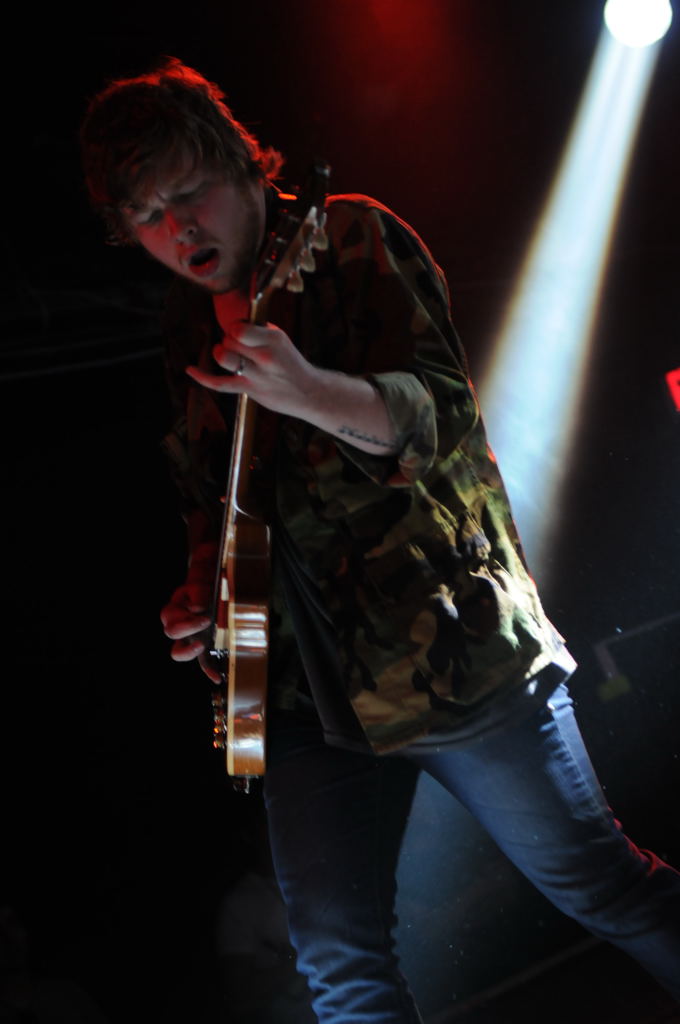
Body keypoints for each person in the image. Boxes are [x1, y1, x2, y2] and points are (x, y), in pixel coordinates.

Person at [80, 57, 680, 1022]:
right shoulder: (183, 323)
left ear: (240, 162)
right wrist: (201, 585)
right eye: (148, 216)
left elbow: (436, 414)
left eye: (189, 194)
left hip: (446, 652)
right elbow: (209, 496)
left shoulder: (351, 235)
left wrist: (307, 389)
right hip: (296, 690)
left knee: (601, 887)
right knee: (339, 966)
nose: (178, 228)